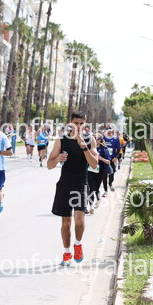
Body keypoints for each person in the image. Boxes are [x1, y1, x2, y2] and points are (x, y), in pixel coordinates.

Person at [47, 111, 99, 266]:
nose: (79, 126)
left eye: (81, 123)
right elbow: (49, 165)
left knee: (80, 220)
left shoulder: (90, 140)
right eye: (76, 123)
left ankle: (77, 244)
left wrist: (84, 147)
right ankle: (66, 253)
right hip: (65, 183)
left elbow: (94, 164)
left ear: (85, 124)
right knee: (66, 223)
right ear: (71, 123)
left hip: (81, 183)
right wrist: (58, 159)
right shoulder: (61, 140)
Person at [87, 134, 104, 214]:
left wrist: (101, 159)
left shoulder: (104, 149)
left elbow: (108, 161)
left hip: (100, 171)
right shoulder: (88, 148)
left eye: (98, 139)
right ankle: (91, 206)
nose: (96, 140)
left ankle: (98, 199)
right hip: (90, 171)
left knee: (96, 188)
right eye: (95, 138)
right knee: (91, 188)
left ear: (101, 140)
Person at [102, 127, 121, 195]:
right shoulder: (103, 138)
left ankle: (110, 183)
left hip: (112, 159)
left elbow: (118, 149)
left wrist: (116, 157)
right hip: (104, 159)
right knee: (104, 175)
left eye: (110, 131)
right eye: (107, 130)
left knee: (111, 173)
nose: (109, 132)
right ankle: (105, 190)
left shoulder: (115, 139)